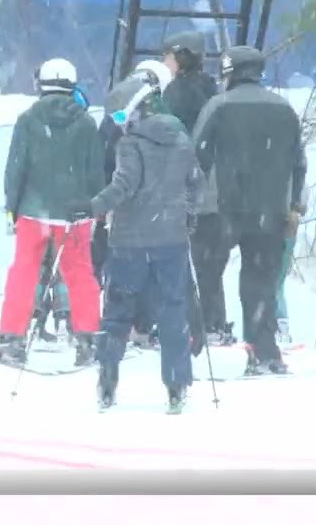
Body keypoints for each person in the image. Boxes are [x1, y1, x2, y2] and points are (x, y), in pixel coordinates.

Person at [72, 71, 201, 411]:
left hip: (130, 242)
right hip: (171, 241)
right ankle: (176, 386)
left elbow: (123, 186)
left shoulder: (129, 144)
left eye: (120, 116)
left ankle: (108, 380)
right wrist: (188, 215)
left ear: (135, 110)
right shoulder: (181, 138)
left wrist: (92, 207)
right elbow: (195, 183)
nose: (119, 123)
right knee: (173, 311)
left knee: (118, 311)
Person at [193, 46, 307, 376]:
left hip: (223, 209)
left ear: (229, 72)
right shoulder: (284, 108)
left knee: (204, 272)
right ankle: (265, 352)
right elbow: (298, 162)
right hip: (270, 211)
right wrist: (295, 204)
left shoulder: (219, 105)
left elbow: (196, 156)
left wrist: (188, 201)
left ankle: (195, 336)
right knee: (260, 281)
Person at [0, 58, 105, 367]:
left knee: (24, 272)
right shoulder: (86, 122)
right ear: (72, 84)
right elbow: (95, 172)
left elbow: (15, 168)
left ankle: (12, 339)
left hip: (32, 212)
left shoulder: (28, 119)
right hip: (74, 214)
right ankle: (87, 340)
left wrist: (11, 208)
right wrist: (96, 208)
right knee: (80, 274)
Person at [159, 32, 233, 346]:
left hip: (185, 185)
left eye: (169, 56)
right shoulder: (213, 91)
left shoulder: (176, 92)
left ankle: (190, 323)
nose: (166, 62)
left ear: (182, 57)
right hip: (218, 187)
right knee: (210, 262)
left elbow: (166, 134)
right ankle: (215, 321)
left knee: (178, 259)